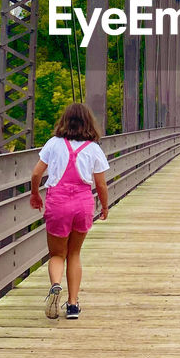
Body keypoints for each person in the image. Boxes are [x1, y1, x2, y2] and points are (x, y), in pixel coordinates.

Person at [29, 102, 110, 320]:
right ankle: (73, 305)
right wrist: (104, 206)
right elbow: (101, 184)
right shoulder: (93, 148)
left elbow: (37, 174)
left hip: (58, 201)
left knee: (57, 254)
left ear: (64, 121)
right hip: (83, 203)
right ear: (88, 123)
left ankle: (56, 286)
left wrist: (35, 194)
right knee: (74, 253)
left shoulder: (54, 144)